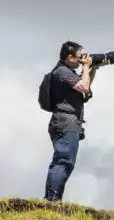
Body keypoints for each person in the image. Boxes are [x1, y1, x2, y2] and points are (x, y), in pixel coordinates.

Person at [43, 41, 108, 202]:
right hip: (65, 122)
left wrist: (93, 68)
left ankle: (52, 198)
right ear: (70, 57)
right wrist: (86, 66)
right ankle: (52, 199)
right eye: (79, 57)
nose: (81, 59)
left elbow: (84, 85)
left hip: (69, 122)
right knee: (64, 160)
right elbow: (84, 87)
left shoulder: (67, 72)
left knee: (65, 161)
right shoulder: (62, 72)